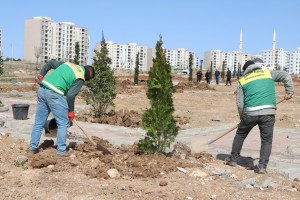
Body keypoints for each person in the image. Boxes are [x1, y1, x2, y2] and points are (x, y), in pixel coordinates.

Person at [225, 58, 294, 174]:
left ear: (245, 70)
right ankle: (262, 167)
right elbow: (286, 75)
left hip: (250, 113)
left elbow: (240, 103)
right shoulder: (267, 73)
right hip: (268, 112)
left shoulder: (243, 80)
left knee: (240, 134)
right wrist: (289, 91)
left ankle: (233, 160)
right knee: (266, 140)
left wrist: (242, 117)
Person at [29, 61, 95, 156]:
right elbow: (70, 95)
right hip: (55, 93)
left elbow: (51, 63)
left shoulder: (69, 65)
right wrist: (71, 111)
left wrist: (41, 74)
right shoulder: (81, 77)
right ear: (88, 75)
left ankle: (32, 148)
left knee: (39, 122)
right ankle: (61, 151)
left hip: (42, 90)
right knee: (63, 123)